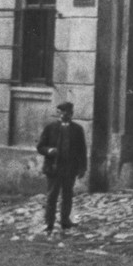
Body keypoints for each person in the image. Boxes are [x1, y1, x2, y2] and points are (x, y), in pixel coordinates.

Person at [35, 101, 88, 235]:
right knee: (52, 196)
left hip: (70, 168)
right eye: (64, 112)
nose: (67, 115)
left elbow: (82, 150)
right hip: (54, 168)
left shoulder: (77, 129)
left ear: (72, 114)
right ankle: (49, 222)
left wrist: (82, 168)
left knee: (67, 195)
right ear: (58, 113)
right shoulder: (50, 128)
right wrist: (49, 150)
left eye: (69, 113)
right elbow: (40, 147)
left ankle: (65, 220)